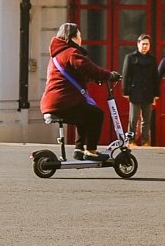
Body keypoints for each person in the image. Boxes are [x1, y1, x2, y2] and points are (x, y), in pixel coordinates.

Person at [40, 21, 115, 159]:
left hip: (53, 101)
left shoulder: (57, 55)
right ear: (73, 37)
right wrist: (109, 75)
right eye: (79, 35)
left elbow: (76, 74)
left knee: (85, 112)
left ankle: (79, 149)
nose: (81, 38)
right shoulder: (71, 53)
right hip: (62, 102)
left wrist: (94, 79)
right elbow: (88, 68)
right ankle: (91, 151)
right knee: (97, 114)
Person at [117, 34, 160, 145]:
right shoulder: (130, 57)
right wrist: (125, 92)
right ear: (138, 44)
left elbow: (156, 77)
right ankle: (130, 140)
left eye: (147, 44)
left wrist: (156, 94)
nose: (145, 46)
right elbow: (125, 75)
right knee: (133, 119)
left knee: (147, 120)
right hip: (135, 92)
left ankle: (145, 141)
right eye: (143, 44)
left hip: (148, 92)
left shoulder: (152, 59)